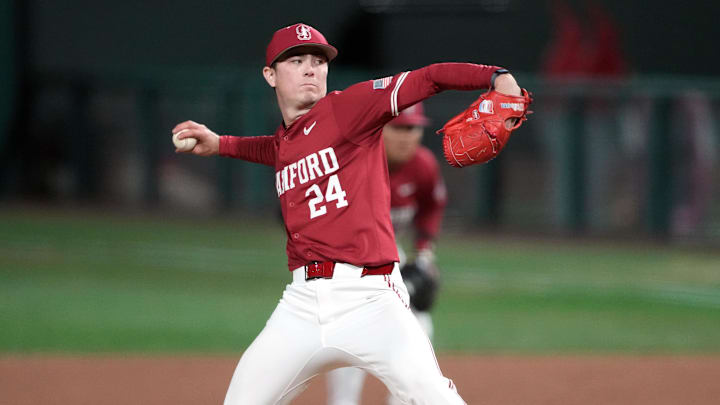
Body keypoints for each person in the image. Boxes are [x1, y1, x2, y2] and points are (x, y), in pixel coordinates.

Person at [172, 22, 522, 405]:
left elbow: (429, 78)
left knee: (433, 397)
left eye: (319, 61)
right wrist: (221, 144)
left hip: (371, 299)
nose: (311, 68)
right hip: (300, 306)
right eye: (297, 60)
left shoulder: (349, 108)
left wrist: (495, 76)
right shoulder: (287, 139)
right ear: (270, 75)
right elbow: (275, 149)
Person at [326, 102, 447, 405]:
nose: (407, 135)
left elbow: (432, 207)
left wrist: (423, 253)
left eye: (413, 128)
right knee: (354, 340)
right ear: (379, 131)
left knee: (420, 326)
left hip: (390, 258)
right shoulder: (352, 165)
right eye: (399, 128)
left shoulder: (423, 165)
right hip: (342, 263)